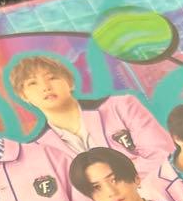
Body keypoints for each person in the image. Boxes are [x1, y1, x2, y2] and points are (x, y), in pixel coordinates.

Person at [10, 54, 173, 183]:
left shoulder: (121, 106)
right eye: (32, 83)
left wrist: (120, 186)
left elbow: (162, 153)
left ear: (69, 82)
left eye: (52, 78)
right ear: (23, 96)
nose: (45, 87)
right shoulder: (39, 148)